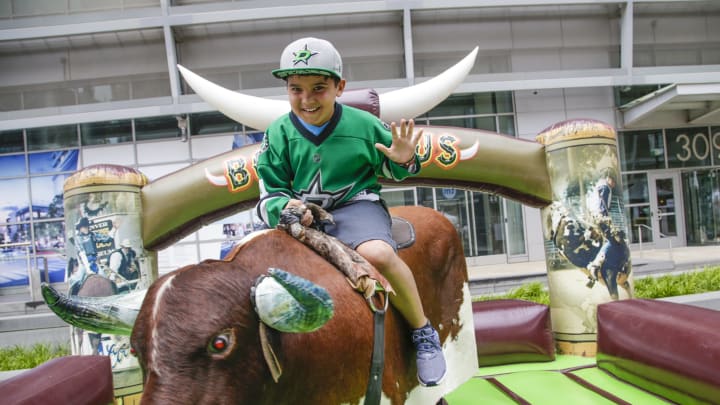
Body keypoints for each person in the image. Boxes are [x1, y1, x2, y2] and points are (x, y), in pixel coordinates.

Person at [255, 37, 446, 386]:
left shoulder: (364, 125)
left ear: (339, 87)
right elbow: (270, 193)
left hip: (357, 206)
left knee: (378, 254)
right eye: (296, 89)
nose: (307, 99)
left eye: (319, 88)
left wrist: (404, 160)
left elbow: (394, 170)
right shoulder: (277, 133)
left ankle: (423, 332)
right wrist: (289, 208)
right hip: (302, 217)